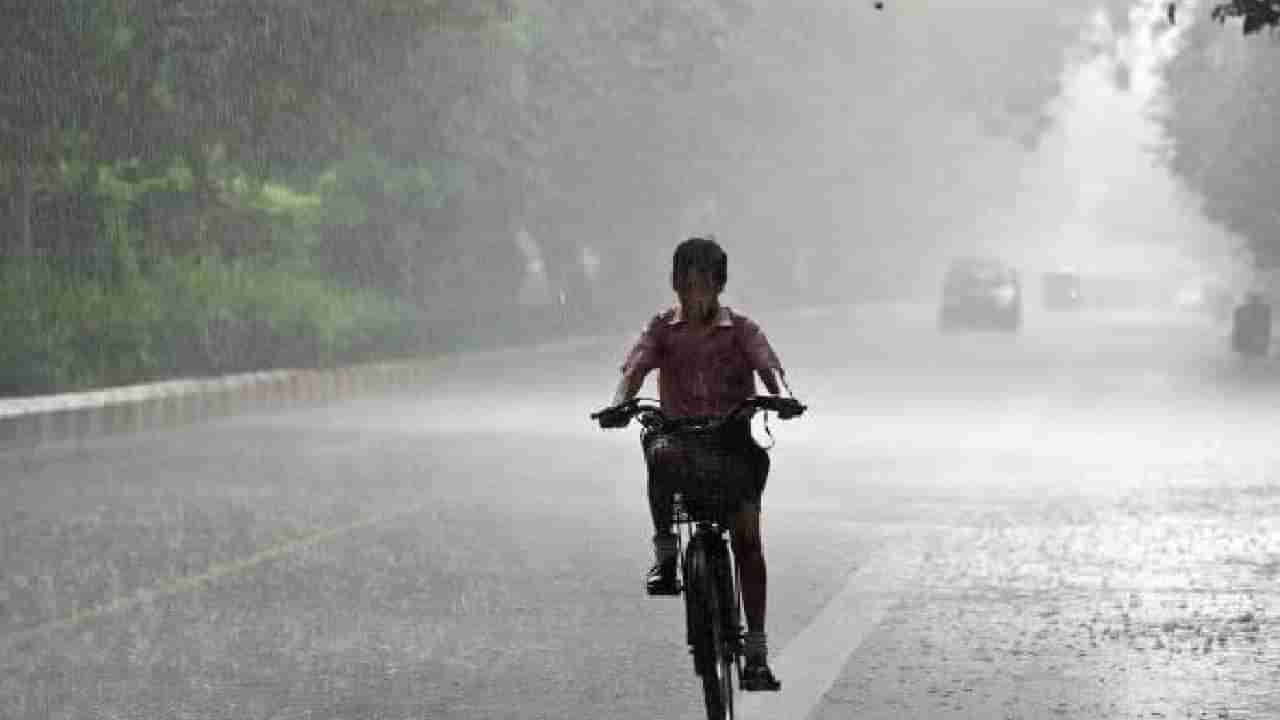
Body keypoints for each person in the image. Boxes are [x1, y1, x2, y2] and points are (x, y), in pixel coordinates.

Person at [599, 236, 788, 692]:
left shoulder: (741, 329)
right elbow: (634, 370)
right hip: (681, 441)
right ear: (674, 284)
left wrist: (782, 398)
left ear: (719, 285)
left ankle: (757, 651)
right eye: (684, 283)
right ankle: (666, 555)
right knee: (656, 449)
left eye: (701, 284)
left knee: (746, 540)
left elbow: (770, 368)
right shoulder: (662, 329)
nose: (691, 293)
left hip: (733, 442)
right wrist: (617, 404)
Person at [1231, 291, 1272, 357]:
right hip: (1250, 341)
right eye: (1252, 299)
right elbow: (1237, 326)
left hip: (1254, 341)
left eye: (1254, 299)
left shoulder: (1240, 310)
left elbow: (1266, 327)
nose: (1253, 301)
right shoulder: (1264, 310)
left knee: (1252, 358)